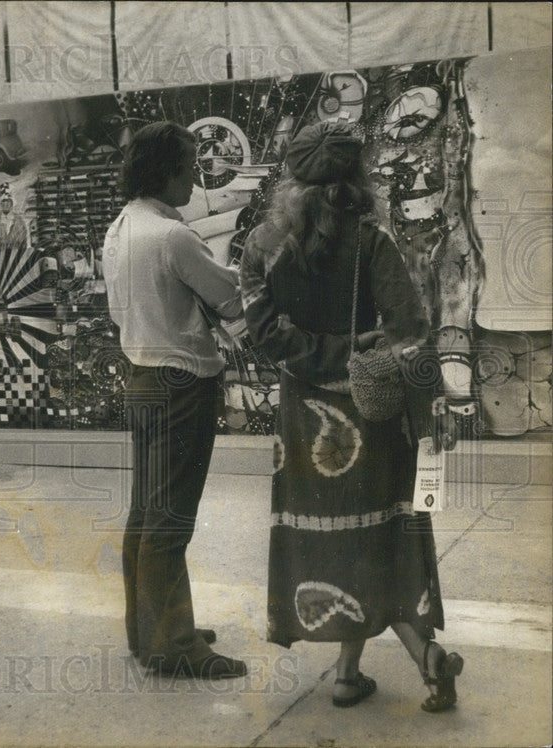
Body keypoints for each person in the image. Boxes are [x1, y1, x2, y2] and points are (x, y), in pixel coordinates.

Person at [239, 120, 463, 711]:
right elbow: (411, 333)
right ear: (357, 176)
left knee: (337, 540)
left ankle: (346, 675)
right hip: (376, 413)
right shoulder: (372, 241)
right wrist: (432, 410)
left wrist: (320, 355)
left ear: (290, 176)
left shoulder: (261, 247)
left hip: (305, 424)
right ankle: (426, 657)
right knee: (384, 535)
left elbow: (263, 335)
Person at [102, 121, 245, 679]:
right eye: (189, 166)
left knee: (146, 516)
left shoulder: (120, 228)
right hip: (182, 385)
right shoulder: (173, 237)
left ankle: (151, 629)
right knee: (171, 523)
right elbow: (231, 301)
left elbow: (120, 311)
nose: (196, 176)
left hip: (141, 379)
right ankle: (176, 648)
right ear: (165, 171)